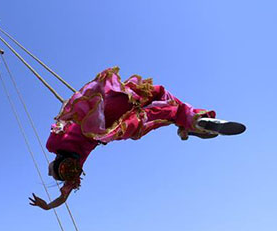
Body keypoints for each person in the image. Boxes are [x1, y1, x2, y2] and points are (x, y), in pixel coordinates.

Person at [29, 67, 246, 210]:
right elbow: (63, 119)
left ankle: (190, 124)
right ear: (57, 162)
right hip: (109, 106)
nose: (48, 169)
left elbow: (63, 197)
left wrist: (47, 206)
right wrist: (75, 108)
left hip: (115, 129)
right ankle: (192, 119)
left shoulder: (79, 161)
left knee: (157, 114)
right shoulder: (53, 145)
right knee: (158, 95)